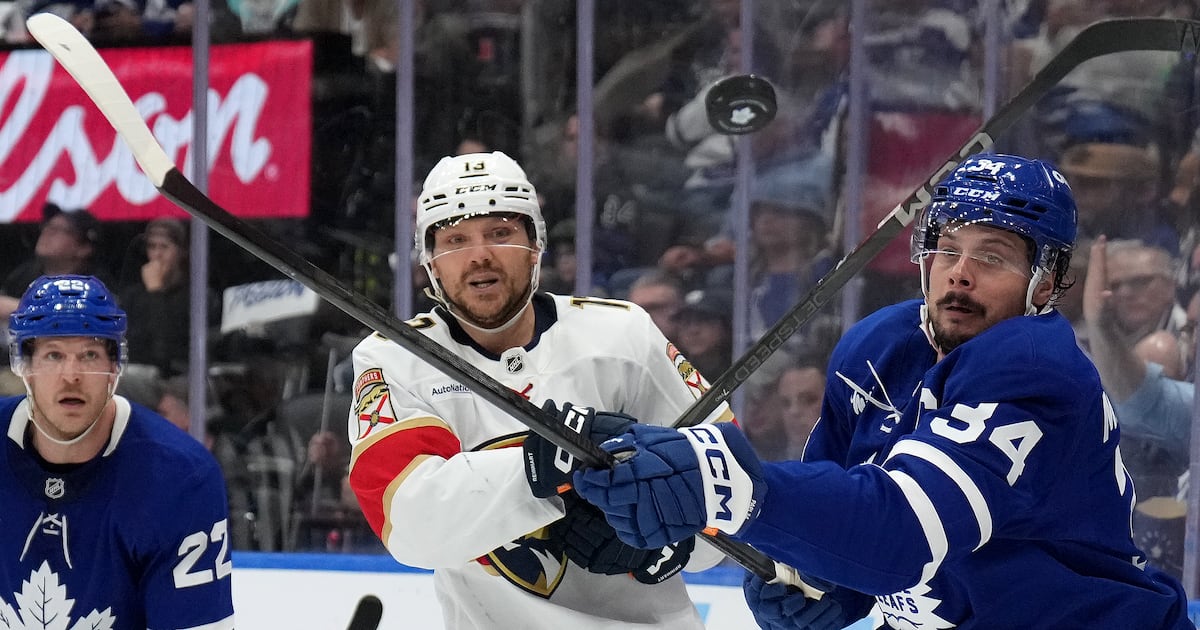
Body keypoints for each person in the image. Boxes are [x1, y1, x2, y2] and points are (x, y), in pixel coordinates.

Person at [570, 154, 1192, 628]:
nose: (960, 273)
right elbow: (846, 503)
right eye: (946, 248)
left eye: (993, 257)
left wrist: (721, 481)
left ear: (1046, 283)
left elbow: (900, 536)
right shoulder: (880, 347)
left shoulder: (1035, 369)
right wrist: (829, 579)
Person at [344, 151, 728, 628]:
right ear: (432, 263)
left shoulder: (622, 335)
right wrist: (542, 465)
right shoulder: (397, 358)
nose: (479, 254)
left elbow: (729, 487)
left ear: (535, 245)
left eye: (500, 232)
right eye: (455, 239)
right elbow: (409, 524)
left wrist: (676, 534)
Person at [0, 275, 234, 628]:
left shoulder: (180, 478)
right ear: (25, 366)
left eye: (90, 355)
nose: (71, 375)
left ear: (115, 367)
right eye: (53, 355)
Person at [0, 204, 108, 321]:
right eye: (48, 226)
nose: (47, 232)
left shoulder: (97, 286)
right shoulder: (23, 276)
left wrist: (23, 309)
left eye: (59, 230)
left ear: (84, 249)